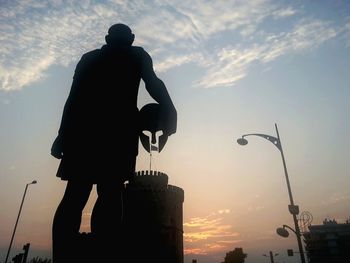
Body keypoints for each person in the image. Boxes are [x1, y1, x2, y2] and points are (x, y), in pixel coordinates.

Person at [50, 23, 177, 262]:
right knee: (107, 193)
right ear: (131, 39)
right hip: (114, 134)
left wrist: (62, 134)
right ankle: (103, 252)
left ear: (108, 38)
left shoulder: (91, 59)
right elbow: (153, 84)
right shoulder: (136, 55)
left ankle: (69, 254)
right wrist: (171, 111)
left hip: (86, 134)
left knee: (78, 194)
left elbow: (73, 99)